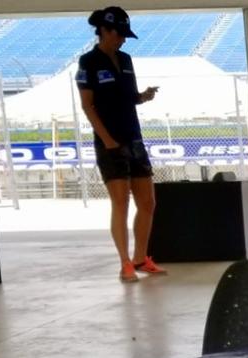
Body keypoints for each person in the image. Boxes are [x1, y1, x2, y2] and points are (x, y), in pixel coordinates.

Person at [76, 6, 165, 283]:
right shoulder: (88, 61)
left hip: (134, 137)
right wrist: (107, 140)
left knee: (147, 202)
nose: (123, 39)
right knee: (121, 202)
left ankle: (141, 257)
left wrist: (143, 96)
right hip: (110, 142)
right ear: (104, 31)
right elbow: (87, 105)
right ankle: (125, 262)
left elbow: (129, 97)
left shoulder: (126, 59)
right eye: (119, 34)